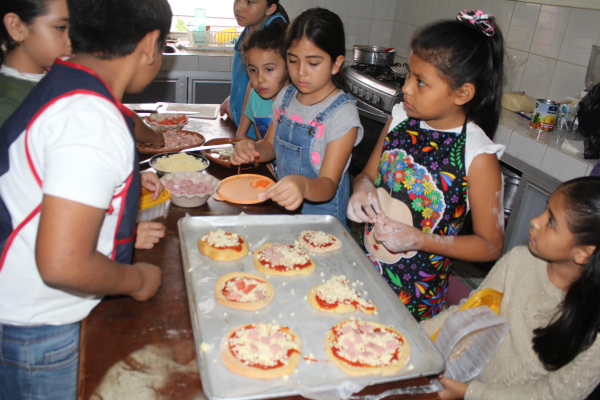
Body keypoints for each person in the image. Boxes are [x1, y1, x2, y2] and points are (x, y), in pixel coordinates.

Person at [0, 0, 172, 399]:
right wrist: (136, 280)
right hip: (36, 331)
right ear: (149, 44)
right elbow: (63, 262)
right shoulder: (90, 119)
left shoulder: (65, 83)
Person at [347, 10, 505, 320]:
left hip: (415, 297)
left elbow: (490, 246)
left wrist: (420, 239)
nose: (406, 88)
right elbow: (367, 174)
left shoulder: (478, 154)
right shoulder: (400, 119)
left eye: (421, 82)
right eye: (409, 75)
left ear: (462, 93)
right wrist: (362, 190)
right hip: (365, 271)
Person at [0, 0, 166, 250]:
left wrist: (112, 178)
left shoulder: (58, 83)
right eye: (60, 27)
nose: (71, 42)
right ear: (151, 45)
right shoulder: (85, 113)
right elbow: (62, 257)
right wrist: (138, 279)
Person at [421, 176, 600, 400]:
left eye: (551, 222)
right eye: (545, 210)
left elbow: (553, 395)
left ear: (584, 253)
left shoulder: (594, 329)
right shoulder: (519, 261)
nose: (536, 221)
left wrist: (469, 393)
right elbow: (467, 312)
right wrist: (413, 341)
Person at [231, 7, 363, 228]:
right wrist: (251, 150)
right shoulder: (285, 97)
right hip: (284, 212)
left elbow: (328, 184)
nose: (301, 72)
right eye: (293, 61)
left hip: (323, 224)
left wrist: (302, 186)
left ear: (336, 63)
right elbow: (269, 146)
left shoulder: (342, 114)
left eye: (313, 63)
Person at [0, 0, 165, 148]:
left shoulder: (58, 78)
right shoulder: (8, 105)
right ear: (16, 27)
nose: (72, 40)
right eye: (61, 28)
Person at [220, 0, 288, 129]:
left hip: (257, 131)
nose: (239, 7)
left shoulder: (276, 36)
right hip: (240, 123)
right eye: (237, 0)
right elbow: (244, 79)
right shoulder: (251, 26)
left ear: (270, 9)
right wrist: (232, 99)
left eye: (250, 2)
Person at [236, 22, 288, 141]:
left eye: (269, 69)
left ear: (288, 65)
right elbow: (261, 144)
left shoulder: (297, 100)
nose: (260, 79)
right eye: (253, 70)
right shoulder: (256, 97)